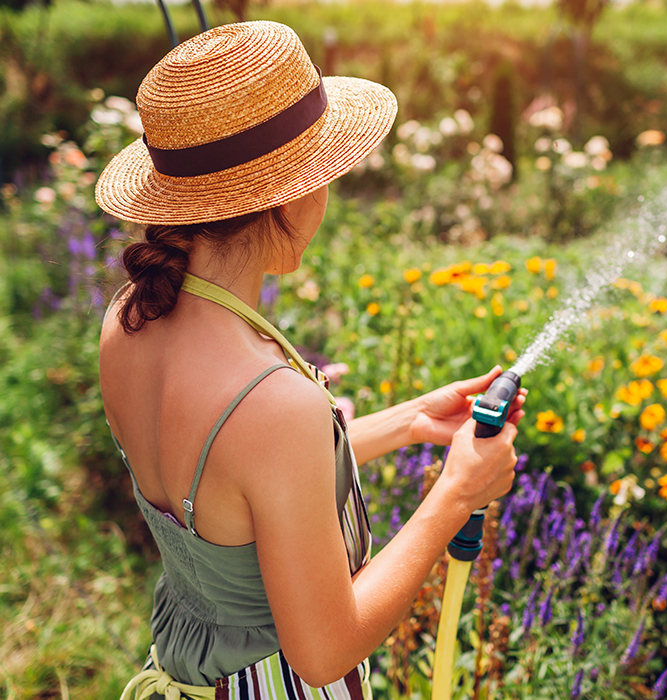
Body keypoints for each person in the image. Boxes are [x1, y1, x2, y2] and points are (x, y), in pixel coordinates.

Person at [94, 20, 525, 700]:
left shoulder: (128, 321)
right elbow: (324, 652)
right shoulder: (269, 402)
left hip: (184, 671)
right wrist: (456, 493)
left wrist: (413, 420)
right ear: (293, 193)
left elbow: (237, 492)